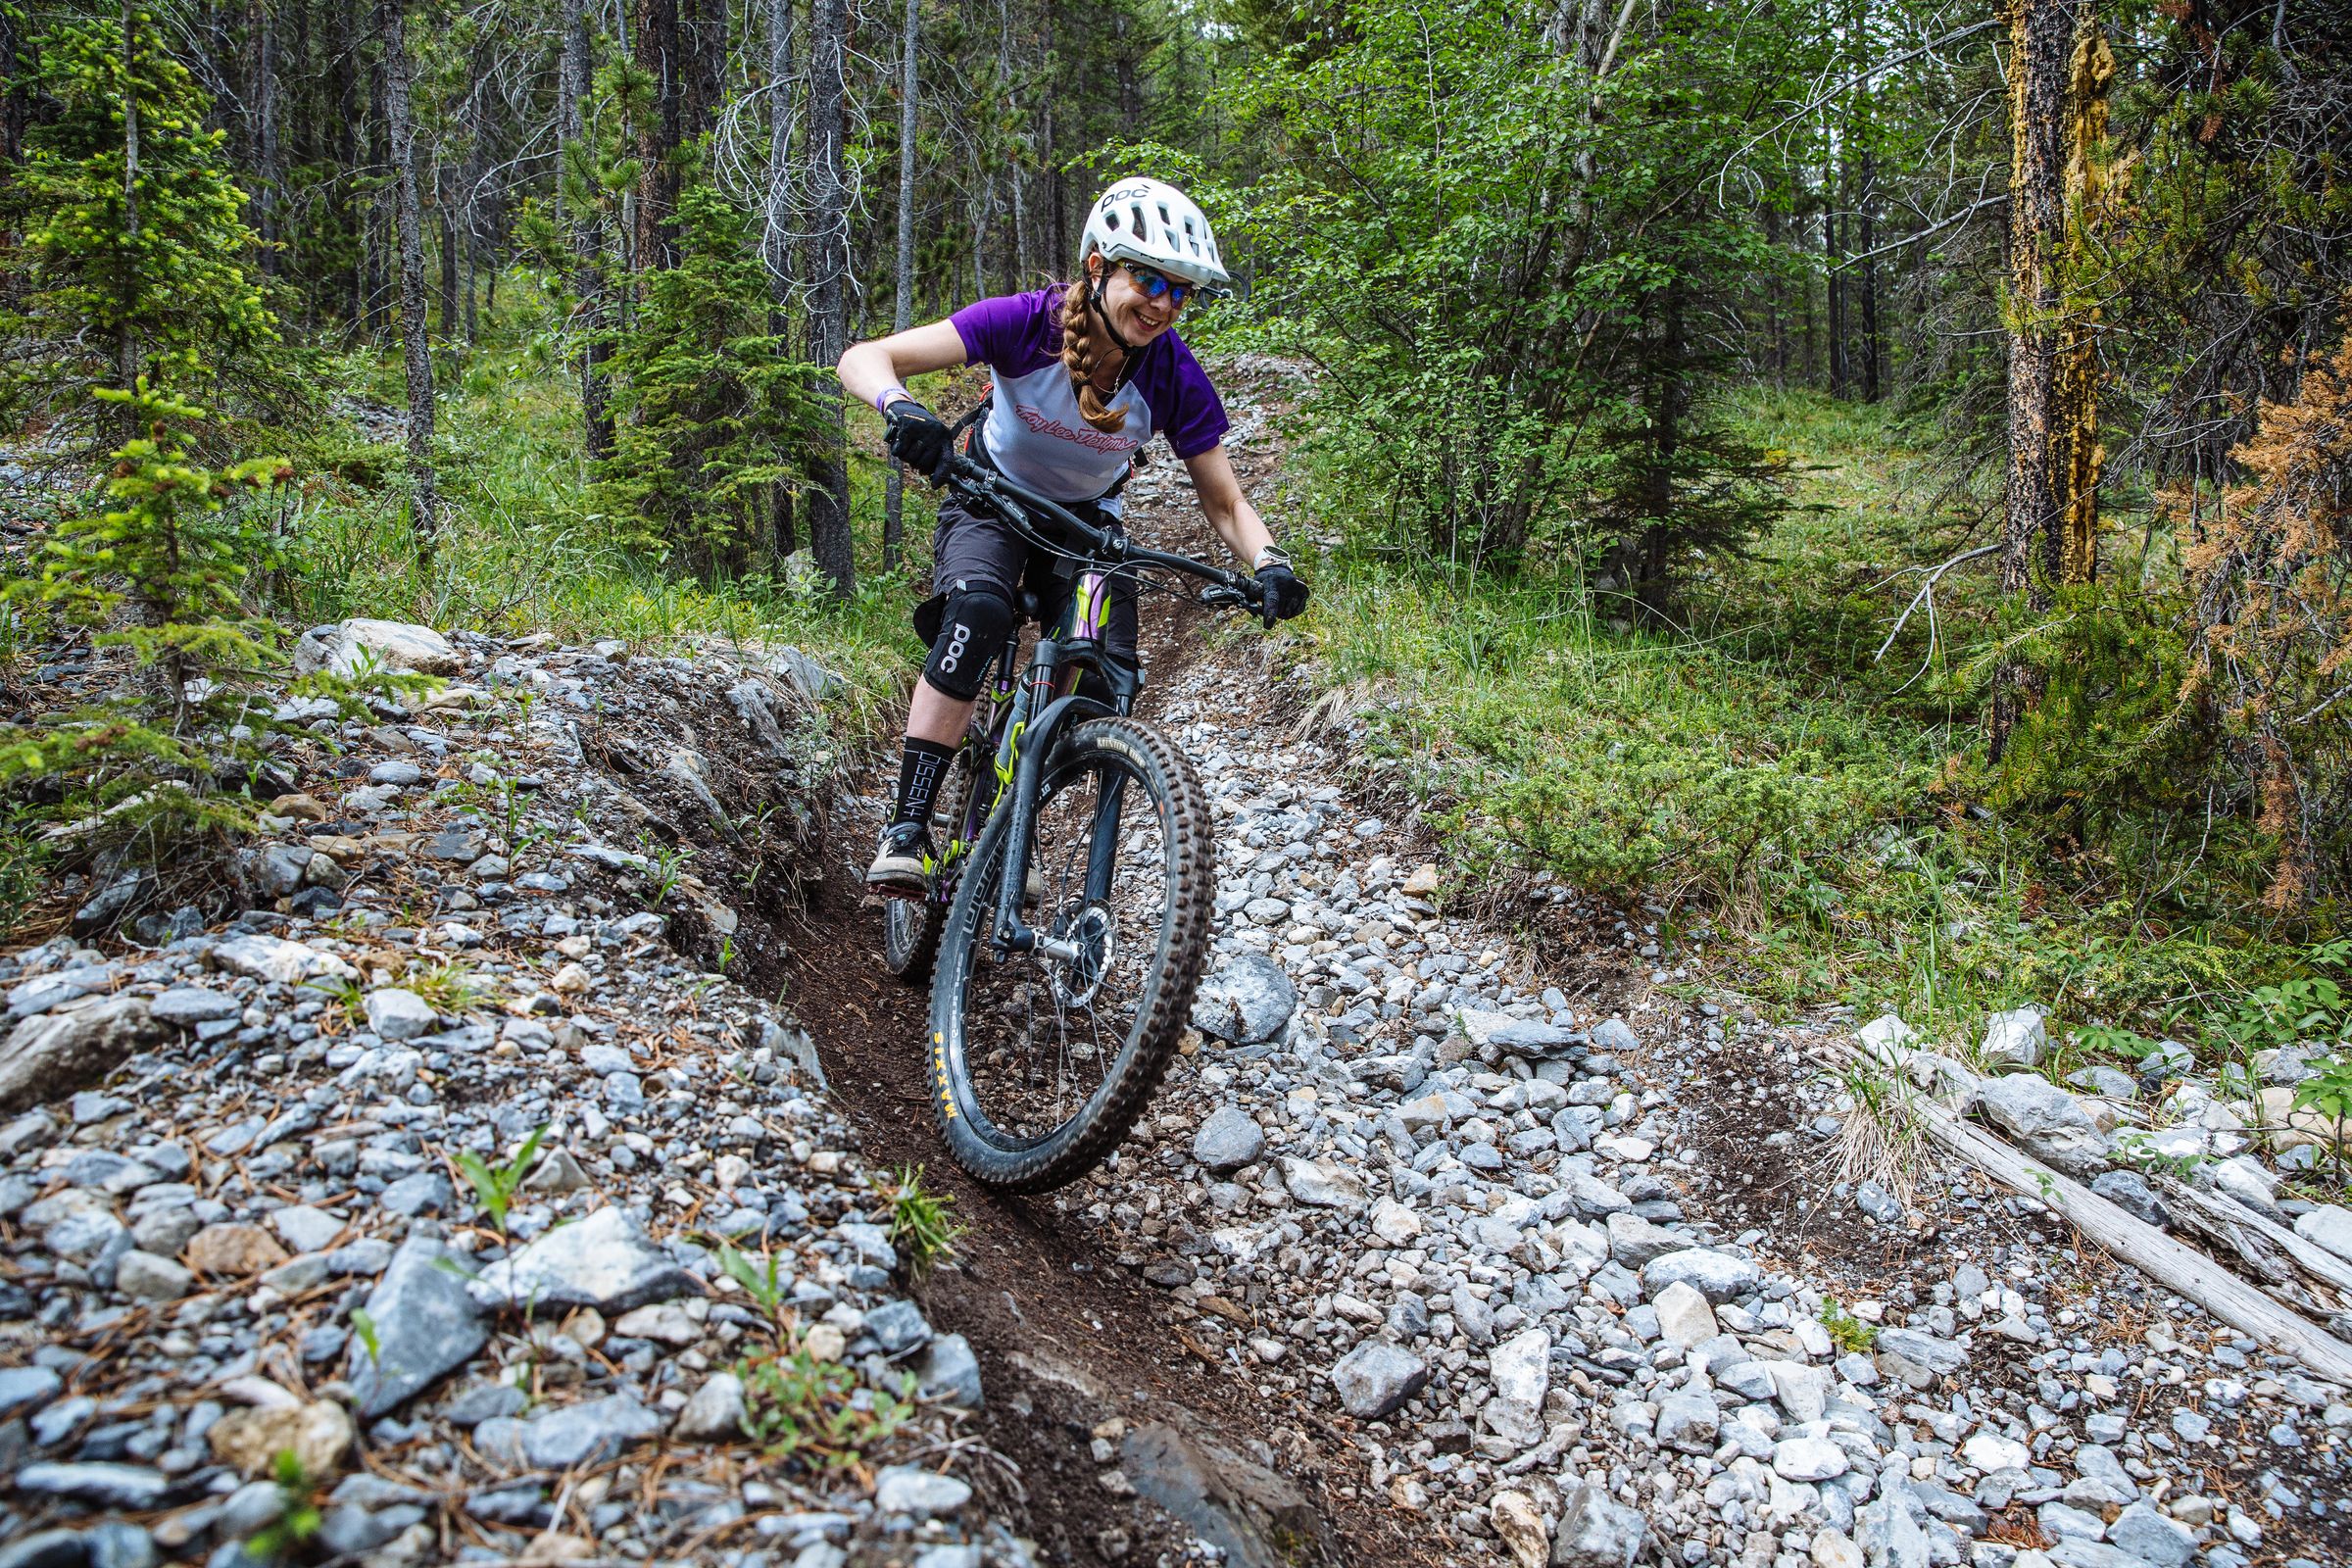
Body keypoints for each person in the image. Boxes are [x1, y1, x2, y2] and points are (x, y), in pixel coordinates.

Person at [836, 177, 1310, 897]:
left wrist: (1270, 560)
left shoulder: (1175, 375)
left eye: (1182, 292)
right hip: (990, 499)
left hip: (1088, 527)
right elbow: (864, 358)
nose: (1164, 304)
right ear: (1098, 267)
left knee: (1105, 673)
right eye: (1149, 279)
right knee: (980, 614)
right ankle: (907, 827)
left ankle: (1013, 827)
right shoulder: (1026, 322)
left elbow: (1225, 500)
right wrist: (901, 408)